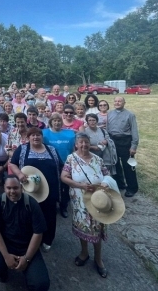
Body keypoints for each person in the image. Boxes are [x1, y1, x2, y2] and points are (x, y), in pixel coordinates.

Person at [60, 132, 121, 278]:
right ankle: (84, 252)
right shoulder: (71, 159)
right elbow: (63, 177)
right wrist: (80, 185)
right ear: (76, 144)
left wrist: (105, 183)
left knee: (97, 229)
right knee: (83, 226)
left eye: (86, 142)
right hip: (80, 202)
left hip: (98, 201)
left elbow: (108, 175)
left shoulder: (98, 160)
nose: (83, 145)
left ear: (89, 143)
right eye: (80, 142)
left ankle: (98, 259)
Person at [0, 176, 50, 291]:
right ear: (4, 188)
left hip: (26, 246)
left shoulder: (31, 204)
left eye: (15, 188)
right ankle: (3, 271)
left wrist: (27, 258)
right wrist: (6, 256)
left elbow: (38, 233)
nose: (12, 191)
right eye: (8, 188)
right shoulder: (0, 202)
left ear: (21, 188)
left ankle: (27, 271)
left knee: (41, 285)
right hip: (6, 245)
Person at [9, 127, 63, 253]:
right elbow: (12, 163)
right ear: (28, 138)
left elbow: (61, 166)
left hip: (50, 190)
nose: (35, 137)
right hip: (29, 190)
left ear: (42, 137)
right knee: (29, 214)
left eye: (38, 135)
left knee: (49, 215)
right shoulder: (22, 149)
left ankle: (47, 239)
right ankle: (29, 239)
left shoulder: (52, 150)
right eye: (32, 135)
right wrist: (19, 174)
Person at [43, 113, 76, 219]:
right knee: (51, 186)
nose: (57, 122)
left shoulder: (70, 134)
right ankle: (52, 205)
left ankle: (63, 206)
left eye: (58, 120)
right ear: (50, 122)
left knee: (65, 187)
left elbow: (73, 150)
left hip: (66, 164)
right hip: (50, 164)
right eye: (54, 120)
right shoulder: (44, 134)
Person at [107, 97, 139, 197]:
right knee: (115, 164)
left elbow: (134, 131)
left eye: (119, 101)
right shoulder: (110, 114)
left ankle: (132, 188)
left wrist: (133, 146)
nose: (117, 103)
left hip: (126, 141)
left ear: (124, 103)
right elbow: (108, 129)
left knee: (128, 166)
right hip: (113, 141)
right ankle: (120, 184)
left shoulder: (130, 115)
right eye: (115, 101)